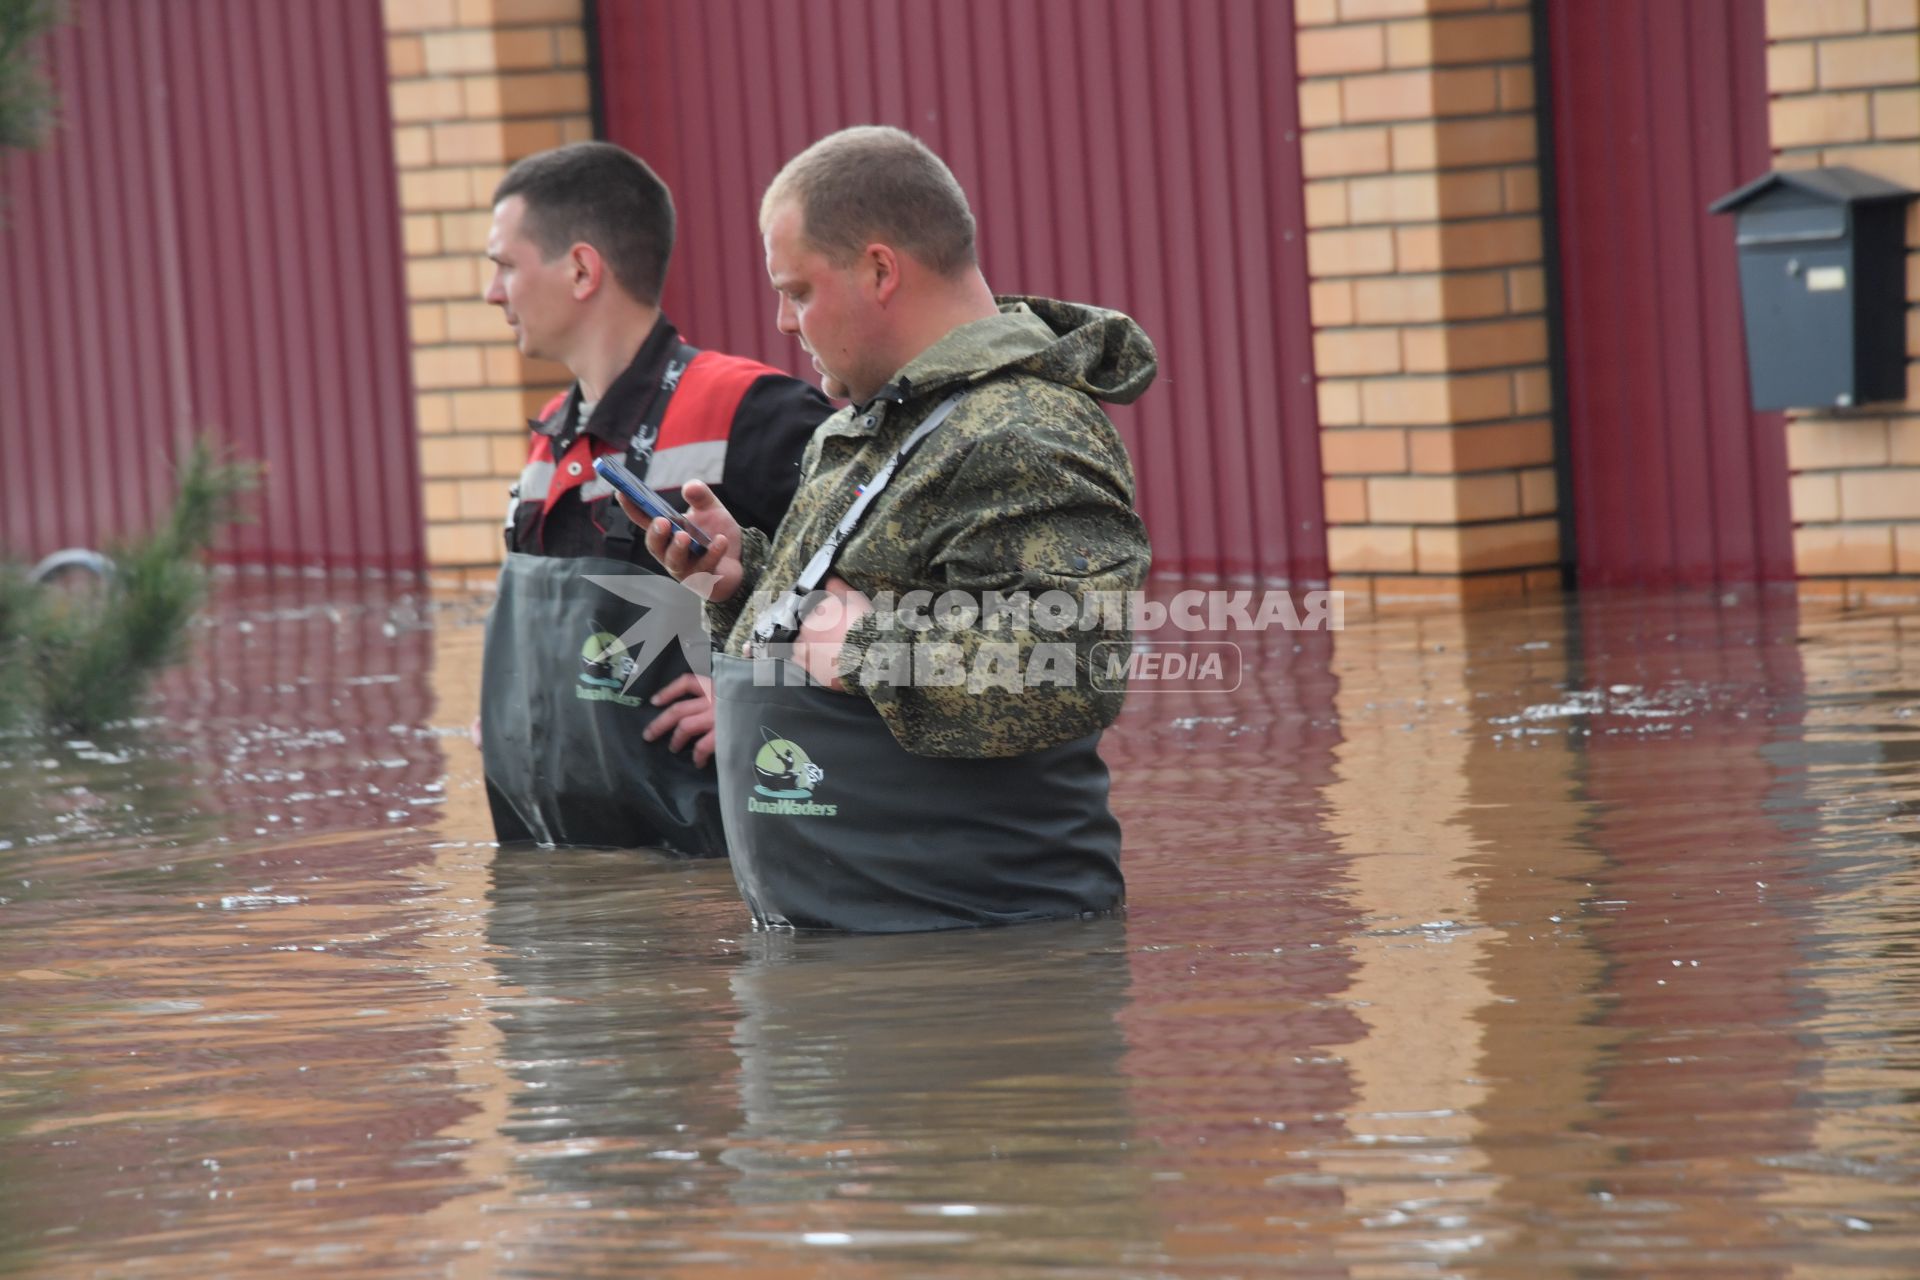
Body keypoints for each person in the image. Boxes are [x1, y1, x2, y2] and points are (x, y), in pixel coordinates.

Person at [626, 126, 1156, 931]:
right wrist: (738, 583)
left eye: (798, 291)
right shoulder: (868, 427)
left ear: (880, 270)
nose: (782, 323)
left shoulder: (1023, 428)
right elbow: (831, 629)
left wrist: (873, 649)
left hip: (970, 971)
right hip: (850, 960)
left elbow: (1078, 665)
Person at [477, 142, 831, 855]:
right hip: (562, 894)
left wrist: (763, 702)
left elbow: (880, 602)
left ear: (581, 269)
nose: (492, 292)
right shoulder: (551, 440)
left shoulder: (754, 411)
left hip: (704, 886)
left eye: (506, 266)